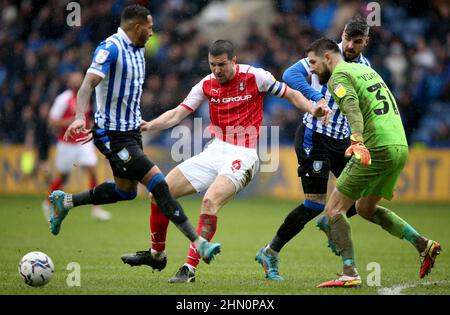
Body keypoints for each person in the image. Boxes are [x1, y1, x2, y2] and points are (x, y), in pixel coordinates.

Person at [121, 39, 329, 283]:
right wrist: (150, 125)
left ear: (234, 61)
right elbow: (178, 113)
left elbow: (291, 93)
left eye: (221, 65)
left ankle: (189, 269)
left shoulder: (255, 76)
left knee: (209, 202)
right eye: (212, 65)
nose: (217, 70)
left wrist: (312, 108)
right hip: (215, 150)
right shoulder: (207, 84)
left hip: (244, 154)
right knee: (159, 192)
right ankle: (157, 253)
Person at [48, 4, 221, 268]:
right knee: (159, 183)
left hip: (131, 131)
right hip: (111, 134)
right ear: (137, 27)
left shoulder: (138, 49)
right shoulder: (111, 48)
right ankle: (199, 242)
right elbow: (87, 84)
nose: (152, 33)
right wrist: (79, 116)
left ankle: (66, 201)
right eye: (150, 28)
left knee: (125, 191)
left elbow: (126, 92)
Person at [305, 37, 441, 287]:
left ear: (327, 57)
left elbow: (353, 108)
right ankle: (424, 244)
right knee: (365, 208)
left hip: (376, 146)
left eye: (313, 63)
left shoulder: (339, 76)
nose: (311, 69)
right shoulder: (365, 70)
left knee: (333, 209)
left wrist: (356, 139)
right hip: (399, 145)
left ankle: (349, 273)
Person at [255, 15, 372, 280]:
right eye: (347, 39)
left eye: (357, 41)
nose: (350, 46)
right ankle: (270, 252)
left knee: (364, 196)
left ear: (366, 41)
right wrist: (316, 97)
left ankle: (329, 222)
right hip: (314, 136)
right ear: (341, 35)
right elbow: (290, 74)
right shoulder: (327, 54)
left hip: (343, 142)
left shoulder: (365, 67)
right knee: (314, 204)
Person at [42, 72, 111, 221]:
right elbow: (52, 121)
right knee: (62, 176)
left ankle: (96, 208)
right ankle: (48, 203)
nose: (77, 84)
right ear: (69, 83)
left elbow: (88, 117)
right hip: (66, 143)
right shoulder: (63, 99)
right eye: (74, 81)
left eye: (79, 81)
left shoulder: (85, 96)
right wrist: (70, 122)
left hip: (83, 142)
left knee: (93, 171)